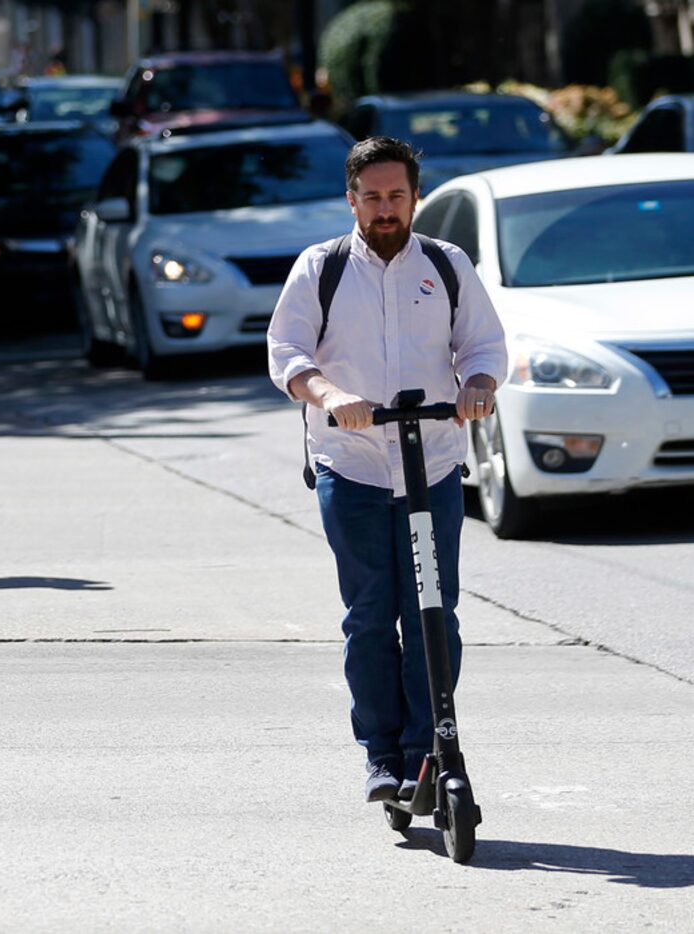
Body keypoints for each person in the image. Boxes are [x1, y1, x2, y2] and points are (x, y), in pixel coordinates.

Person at [265, 136, 507, 804]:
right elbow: (285, 348)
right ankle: (380, 753)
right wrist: (330, 396)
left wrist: (478, 385)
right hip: (354, 467)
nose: (384, 209)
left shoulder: (446, 264)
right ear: (351, 199)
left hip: (431, 463)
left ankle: (426, 745)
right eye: (371, 197)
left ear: (414, 196)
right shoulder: (322, 268)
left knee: (433, 610)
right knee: (371, 616)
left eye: (396, 195)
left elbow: (484, 345)